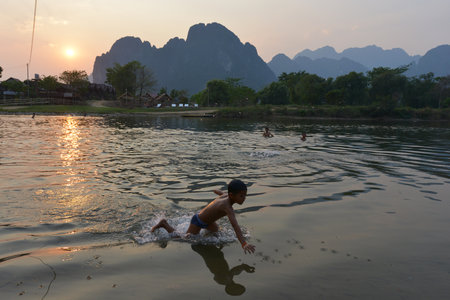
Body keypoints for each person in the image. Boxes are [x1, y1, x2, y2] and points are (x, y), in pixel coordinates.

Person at [151, 179, 256, 254]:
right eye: (241, 195)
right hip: (198, 221)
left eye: (245, 195)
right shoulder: (228, 208)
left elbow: (221, 193)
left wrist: (216, 191)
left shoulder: (226, 196)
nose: (244, 198)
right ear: (232, 195)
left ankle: (212, 249)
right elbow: (235, 226)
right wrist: (243, 243)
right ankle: (164, 224)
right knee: (185, 238)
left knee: (216, 232)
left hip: (208, 221)